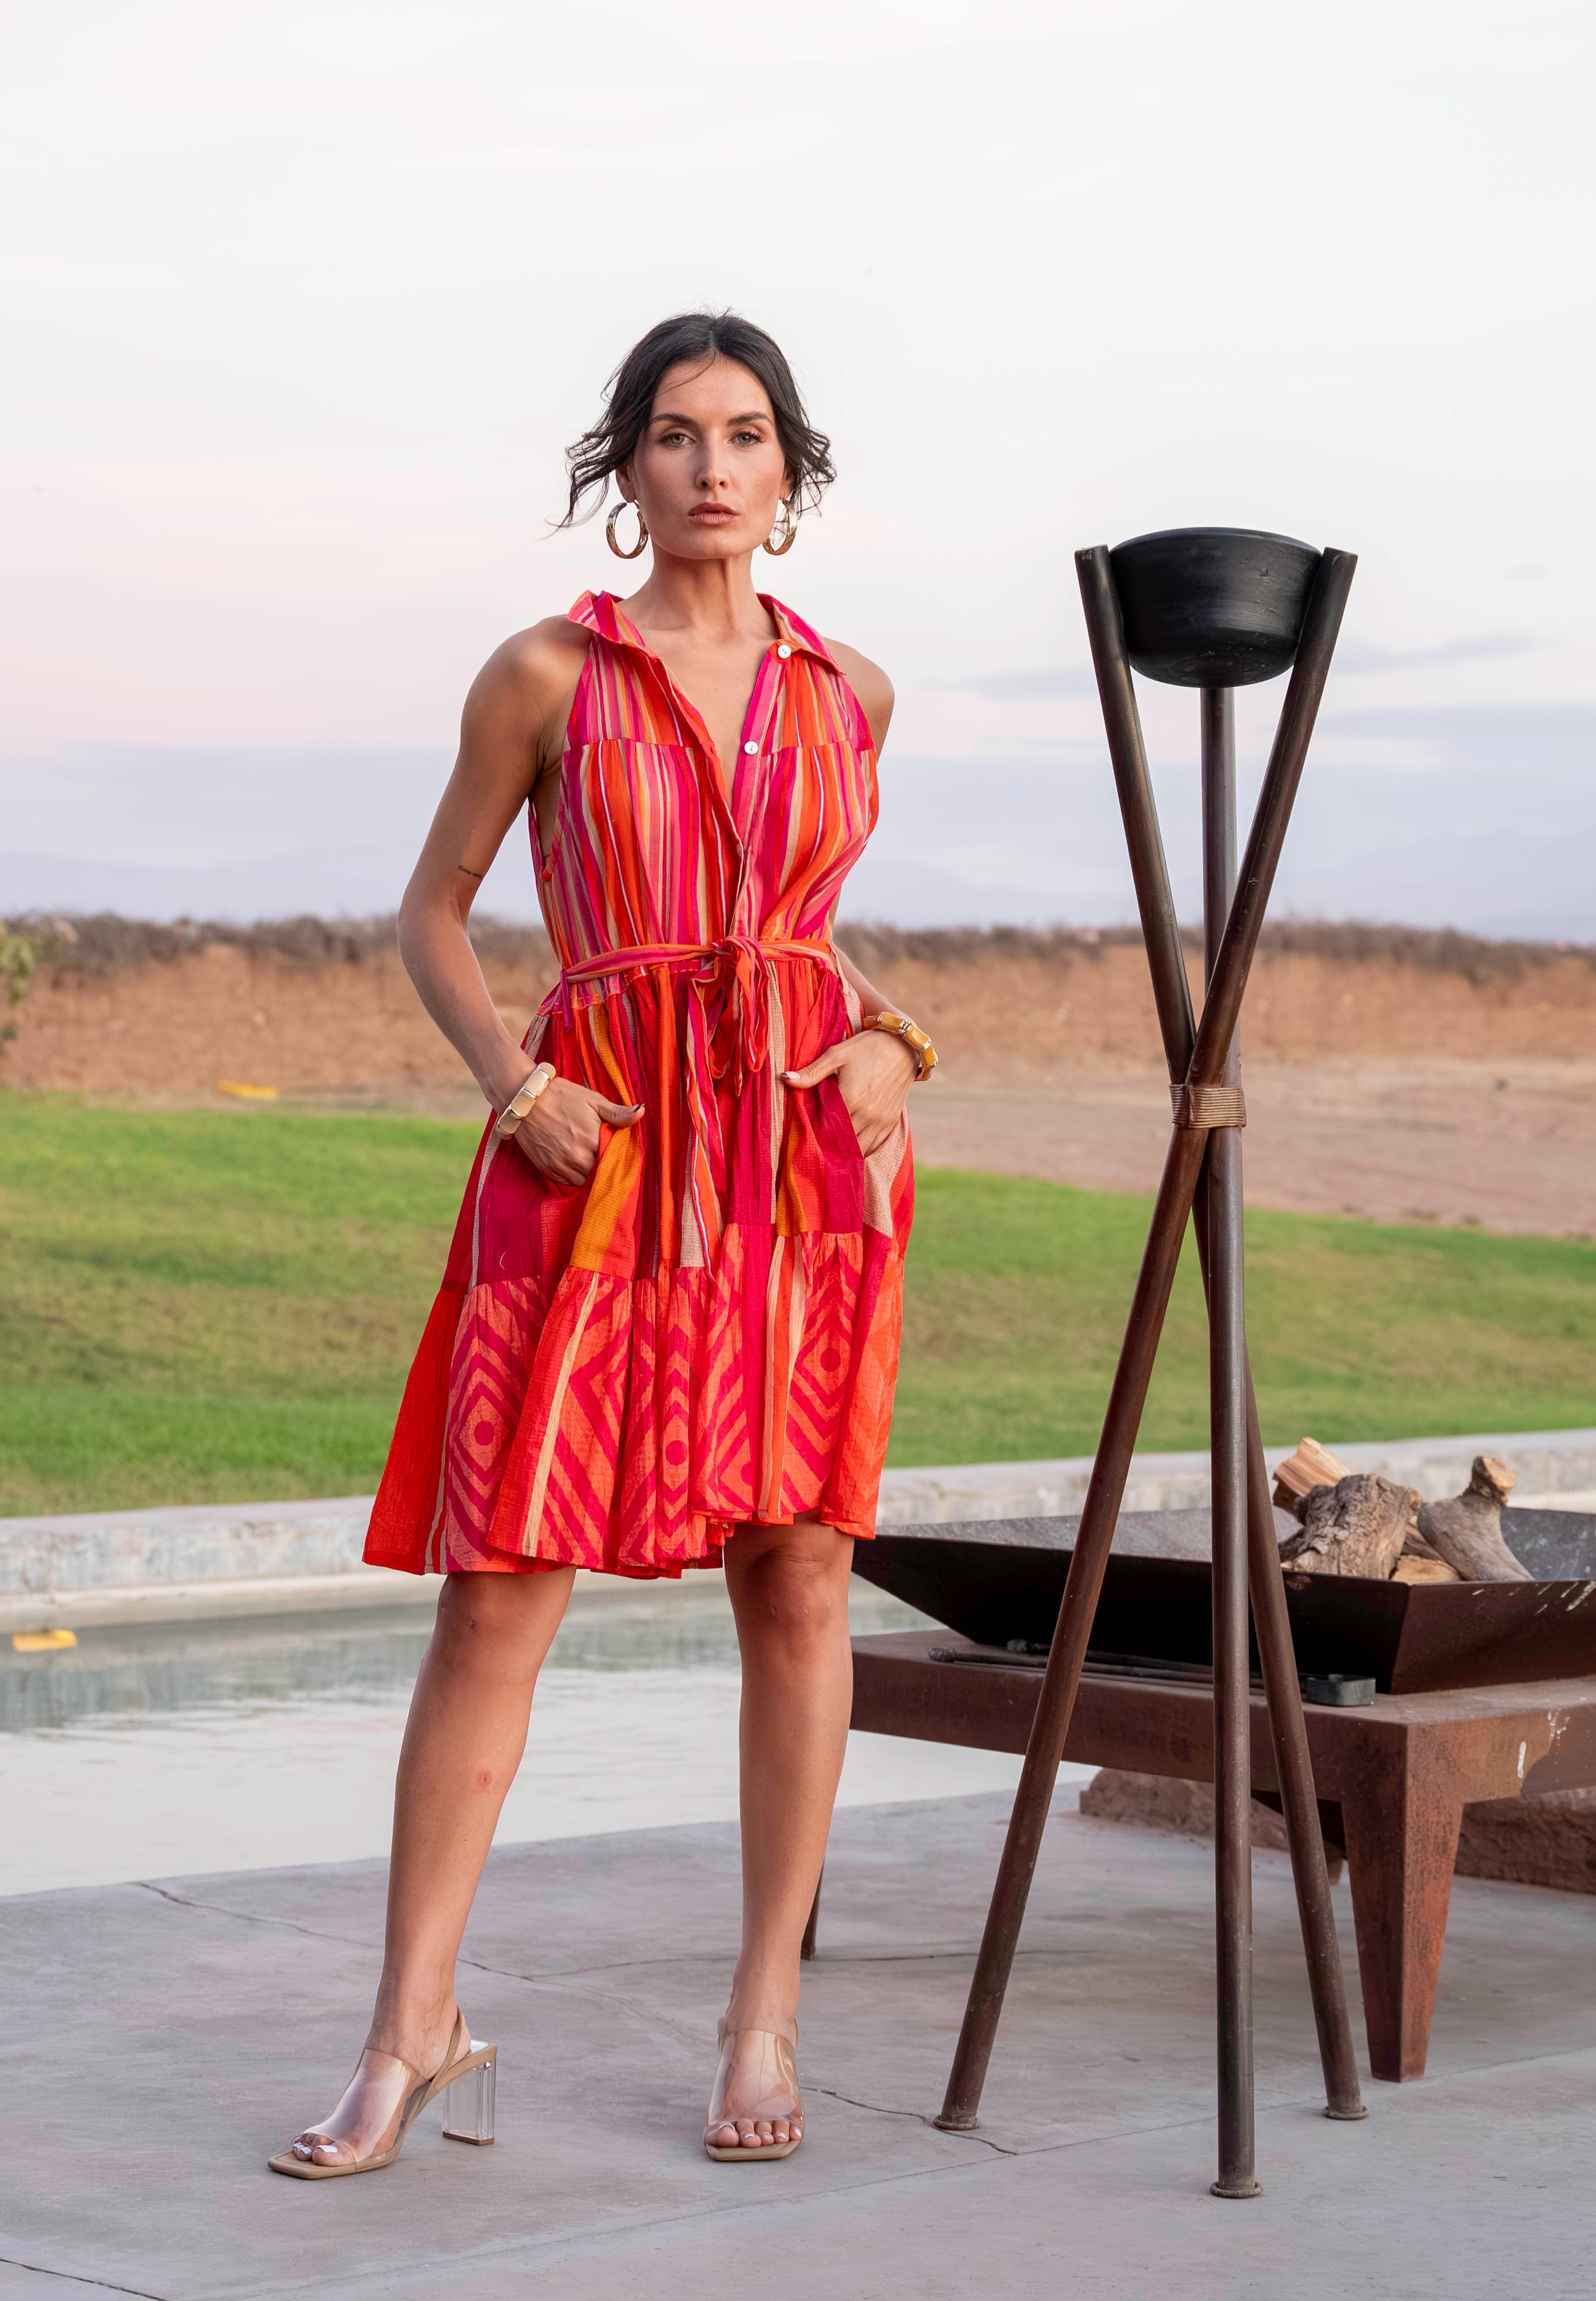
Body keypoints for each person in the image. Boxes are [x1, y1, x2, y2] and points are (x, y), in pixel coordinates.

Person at [271, 310, 938, 2180]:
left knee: (798, 1576)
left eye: (743, 436)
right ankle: (411, 2027)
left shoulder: (854, 693)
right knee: (501, 1583)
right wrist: (509, 1083)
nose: (709, 466)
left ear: (789, 476)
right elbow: (431, 906)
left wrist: (895, 1041)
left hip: (803, 1177)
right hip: (593, 1158)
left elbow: (802, 939)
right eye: (671, 434)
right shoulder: (548, 673)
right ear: (624, 467)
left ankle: (764, 2012)